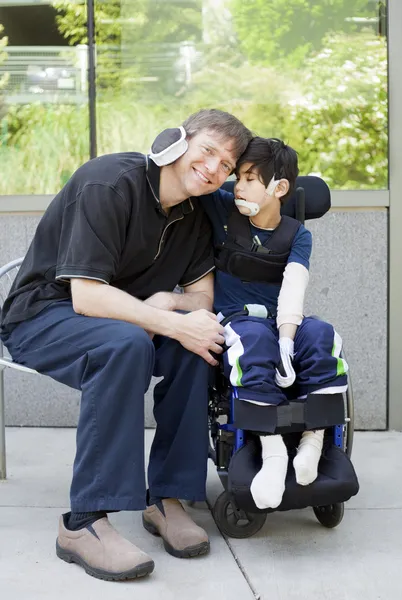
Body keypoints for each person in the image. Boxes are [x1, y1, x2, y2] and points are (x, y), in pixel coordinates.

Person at [0, 109, 252, 581]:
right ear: (176, 142)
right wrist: (165, 319)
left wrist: (168, 305)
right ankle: (82, 523)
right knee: (129, 345)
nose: (216, 169)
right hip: (43, 314)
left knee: (199, 342)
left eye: (227, 166)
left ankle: (167, 497)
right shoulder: (110, 183)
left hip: (127, 319)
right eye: (209, 152)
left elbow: (201, 298)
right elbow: (86, 294)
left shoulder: (195, 216)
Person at [201, 137, 349, 510]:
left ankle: (314, 443)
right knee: (253, 340)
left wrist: (287, 339)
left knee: (321, 335)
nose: (239, 186)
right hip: (236, 320)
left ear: (278, 188)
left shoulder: (297, 235)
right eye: (239, 177)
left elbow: (294, 288)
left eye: (251, 179)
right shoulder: (222, 209)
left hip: (281, 319)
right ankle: (272, 454)